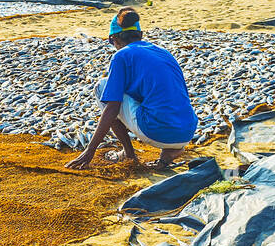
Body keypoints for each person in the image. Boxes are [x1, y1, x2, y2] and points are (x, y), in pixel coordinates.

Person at [66, 9, 197, 170]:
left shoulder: (121, 56)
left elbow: (112, 108)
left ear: (114, 39)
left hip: (155, 132)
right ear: (140, 35)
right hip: (187, 131)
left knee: (102, 87)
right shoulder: (163, 52)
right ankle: (170, 152)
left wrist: (89, 151)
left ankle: (129, 154)